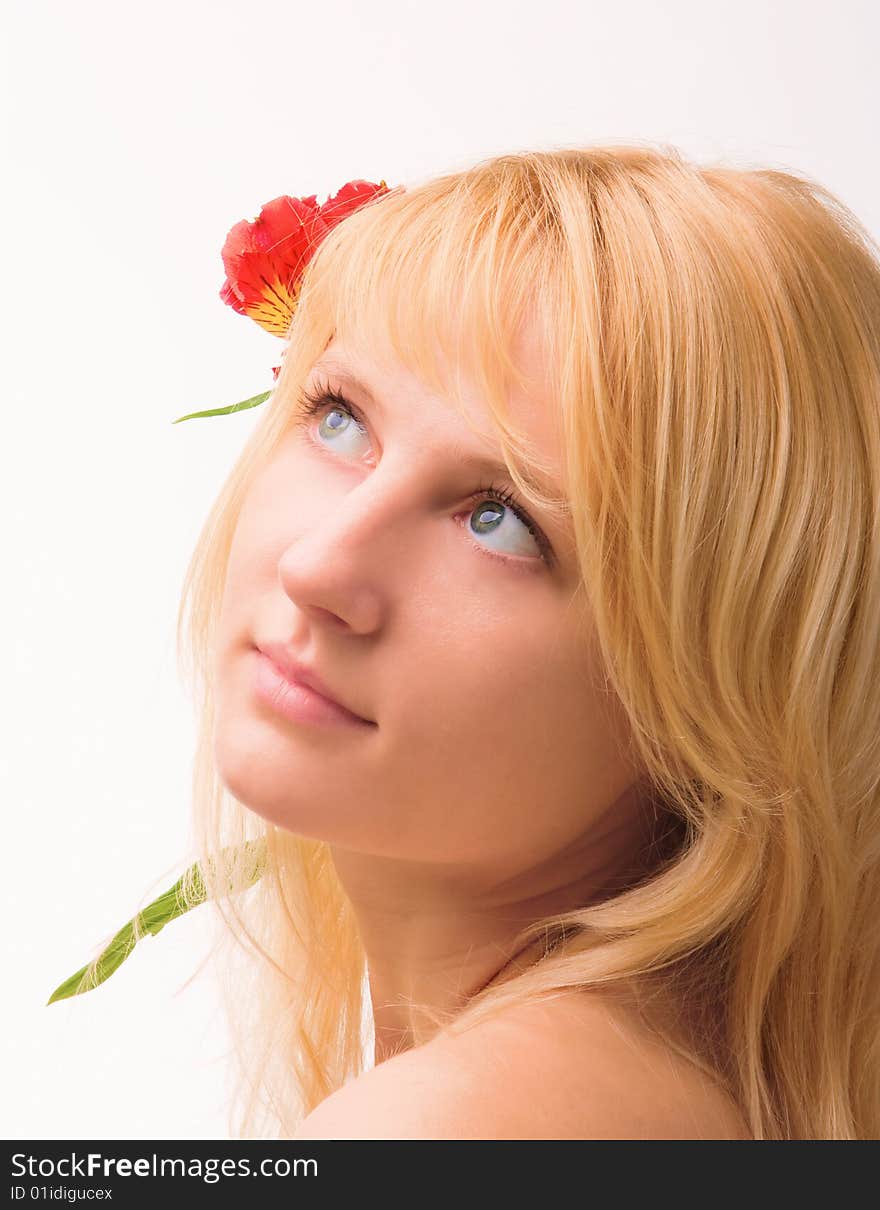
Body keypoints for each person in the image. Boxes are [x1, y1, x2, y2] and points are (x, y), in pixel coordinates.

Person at [175, 143, 880, 1140]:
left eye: (500, 520)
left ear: (700, 696)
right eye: (340, 418)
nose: (322, 568)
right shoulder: (680, 1086)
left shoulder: (447, 1127)